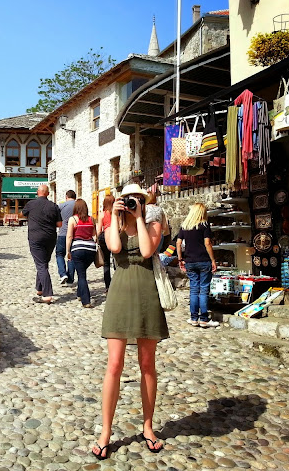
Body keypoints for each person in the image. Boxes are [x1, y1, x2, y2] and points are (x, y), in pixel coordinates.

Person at [93, 183, 169, 460]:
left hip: (147, 294)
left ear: (144, 202)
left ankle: (148, 427)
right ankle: (105, 431)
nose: (133, 202)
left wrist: (139, 218)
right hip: (120, 294)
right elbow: (114, 247)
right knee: (114, 365)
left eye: (138, 199)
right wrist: (115, 216)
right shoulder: (113, 224)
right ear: (121, 200)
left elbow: (147, 252)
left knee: (147, 364)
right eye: (129, 199)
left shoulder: (153, 223)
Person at [176, 203, 220, 328]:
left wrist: (180, 259)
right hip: (203, 260)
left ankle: (194, 318)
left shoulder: (185, 226)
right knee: (204, 290)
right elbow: (207, 243)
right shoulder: (204, 225)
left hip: (189, 261)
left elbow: (178, 243)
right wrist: (213, 259)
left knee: (194, 290)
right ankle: (204, 319)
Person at [22, 184, 62, 304]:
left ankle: (47, 294)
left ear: (37, 192)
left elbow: (23, 214)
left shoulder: (31, 204)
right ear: (48, 193)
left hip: (35, 237)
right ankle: (39, 288)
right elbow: (59, 224)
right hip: (50, 238)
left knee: (41, 265)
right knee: (43, 263)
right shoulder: (53, 206)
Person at [66, 199, 97, 308]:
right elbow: (94, 235)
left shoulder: (73, 219)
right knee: (82, 271)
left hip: (78, 249)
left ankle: (86, 300)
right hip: (91, 250)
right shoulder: (91, 219)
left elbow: (69, 236)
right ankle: (80, 293)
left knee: (81, 275)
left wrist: (68, 251)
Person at [56, 190, 77, 285]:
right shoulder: (78, 205)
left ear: (66, 197)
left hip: (63, 233)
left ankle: (63, 274)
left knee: (60, 254)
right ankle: (70, 279)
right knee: (71, 255)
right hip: (75, 234)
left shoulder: (61, 206)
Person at [95, 194, 115, 292]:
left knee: (106, 262)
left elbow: (99, 230)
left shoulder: (102, 214)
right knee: (117, 261)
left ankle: (108, 286)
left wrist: (97, 239)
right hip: (115, 236)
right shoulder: (116, 213)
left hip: (104, 238)